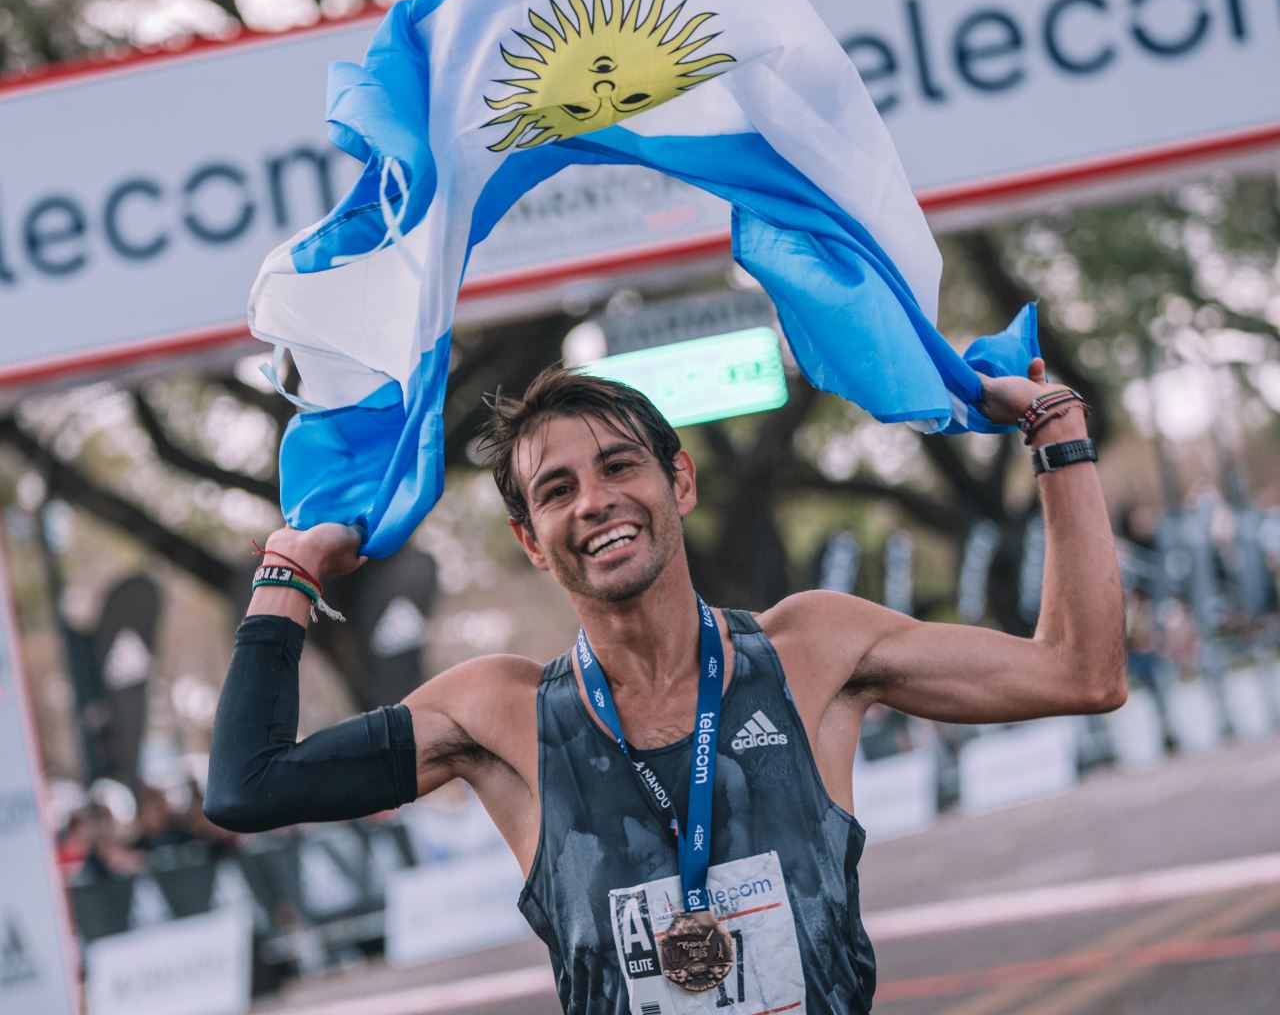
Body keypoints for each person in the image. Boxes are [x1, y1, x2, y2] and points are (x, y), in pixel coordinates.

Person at [205, 359, 1124, 1013]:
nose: (594, 501)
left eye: (618, 466)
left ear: (678, 482)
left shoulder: (812, 652)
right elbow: (249, 786)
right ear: (532, 540)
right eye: (556, 490)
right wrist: (289, 569)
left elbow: (1081, 672)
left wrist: (1057, 430)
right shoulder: (500, 714)